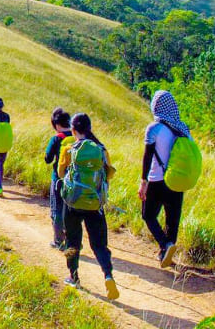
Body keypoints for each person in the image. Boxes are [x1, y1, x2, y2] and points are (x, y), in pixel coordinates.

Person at [57, 113, 119, 300]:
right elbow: (109, 175)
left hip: (73, 203)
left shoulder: (69, 149)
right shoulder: (101, 150)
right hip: (94, 204)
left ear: (73, 130)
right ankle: (108, 275)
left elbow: (60, 173)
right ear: (89, 128)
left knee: (73, 241)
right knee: (99, 244)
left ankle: (73, 277)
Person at [139, 90, 191, 269]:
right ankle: (165, 254)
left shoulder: (154, 128)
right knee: (172, 219)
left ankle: (165, 245)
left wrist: (143, 182)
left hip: (157, 180)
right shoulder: (183, 129)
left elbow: (147, 157)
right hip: (177, 180)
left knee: (148, 215)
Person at [44, 108, 73, 249]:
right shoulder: (77, 137)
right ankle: (72, 240)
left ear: (56, 125)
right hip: (74, 181)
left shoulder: (57, 138)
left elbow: (48, 159)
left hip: (58, 179)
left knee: (56, 209)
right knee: (70, 211)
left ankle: (58, 240)